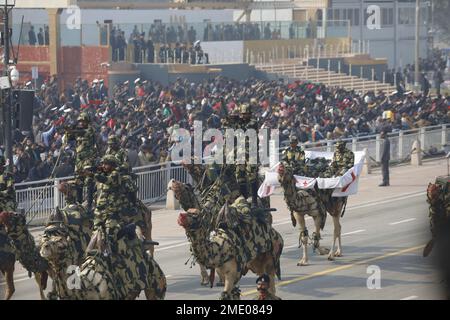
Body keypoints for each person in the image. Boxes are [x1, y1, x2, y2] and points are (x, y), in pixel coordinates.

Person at [66, 112, 98, 213]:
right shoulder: (78, 131)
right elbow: (70, 137)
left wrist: (73, 130)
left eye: (83, 121)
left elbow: (81, 132)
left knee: (89, 180)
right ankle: (79, 203)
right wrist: (69, 130)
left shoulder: (90, 130)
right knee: (78, 182)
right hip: (79, 160)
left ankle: (89, 204)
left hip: (88, 159)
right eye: (80, 121)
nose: (81, 123)